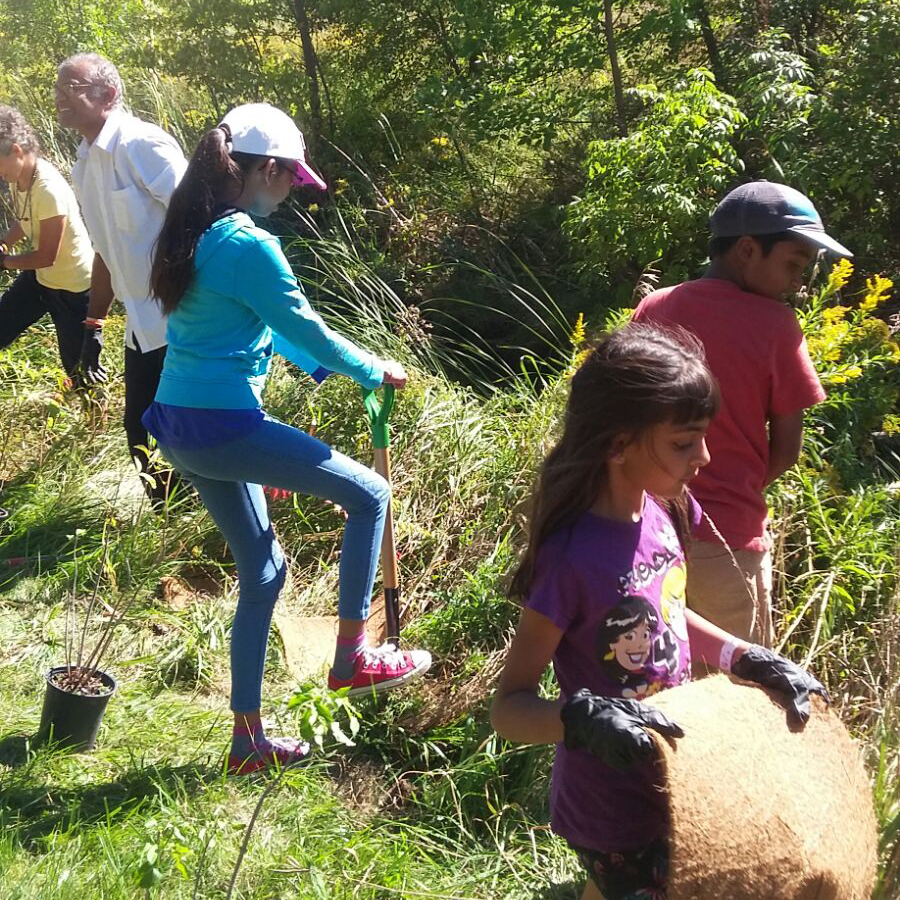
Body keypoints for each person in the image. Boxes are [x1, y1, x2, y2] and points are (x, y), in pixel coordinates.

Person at [490, 323, 826, 900]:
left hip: (673, 786)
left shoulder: (664, 511)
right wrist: (582, 718)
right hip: (609, 810)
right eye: (683, 442)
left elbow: (666, 615)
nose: (705, 455)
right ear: (619, 444)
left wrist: (745, 657)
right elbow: (508, 709)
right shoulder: (569, 558)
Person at [143, 102, 432, 775]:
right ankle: (353, 656)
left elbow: (245, 323)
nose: (294, 194)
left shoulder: (197, 232)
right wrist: (369, 367)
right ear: (266, 169)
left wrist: (315, 365)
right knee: (370, 494)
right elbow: (303, 324)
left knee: (265, 570)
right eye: (290, 181)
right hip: (221, 425)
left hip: (180, 425)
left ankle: (247, 741)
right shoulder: (247, 243)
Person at [633, 181, 850, 646]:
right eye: (793, 265)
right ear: (748, 249)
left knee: (649, 670)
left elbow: (622, 412)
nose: (799, 282)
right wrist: (736, 489)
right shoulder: (777, 325)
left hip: (643, 524)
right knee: (740, 685)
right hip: (728, 538)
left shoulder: (656, 306)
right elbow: (788, 448)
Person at [55, 53, 187, 504]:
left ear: (107, 95)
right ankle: (173, 530)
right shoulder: (85, 161)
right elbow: (106, 250)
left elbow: (203, 221)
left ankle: (219, 531)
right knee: (141, 431)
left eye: (69, 87)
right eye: (58, 87)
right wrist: (93, 325)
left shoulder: (141, 145)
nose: (58, 97)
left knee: (188, 431)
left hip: (183, 320)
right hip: (141, 325)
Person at [0, 106, 93, 378]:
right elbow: (27, 220)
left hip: (73, 290)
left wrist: (5, 262)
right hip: (42, 280)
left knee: (80, 372)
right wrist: (4, 242)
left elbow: (46, 256)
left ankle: (94, 418)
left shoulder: (48, 189)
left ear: (17, 150)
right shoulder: (19, 178)